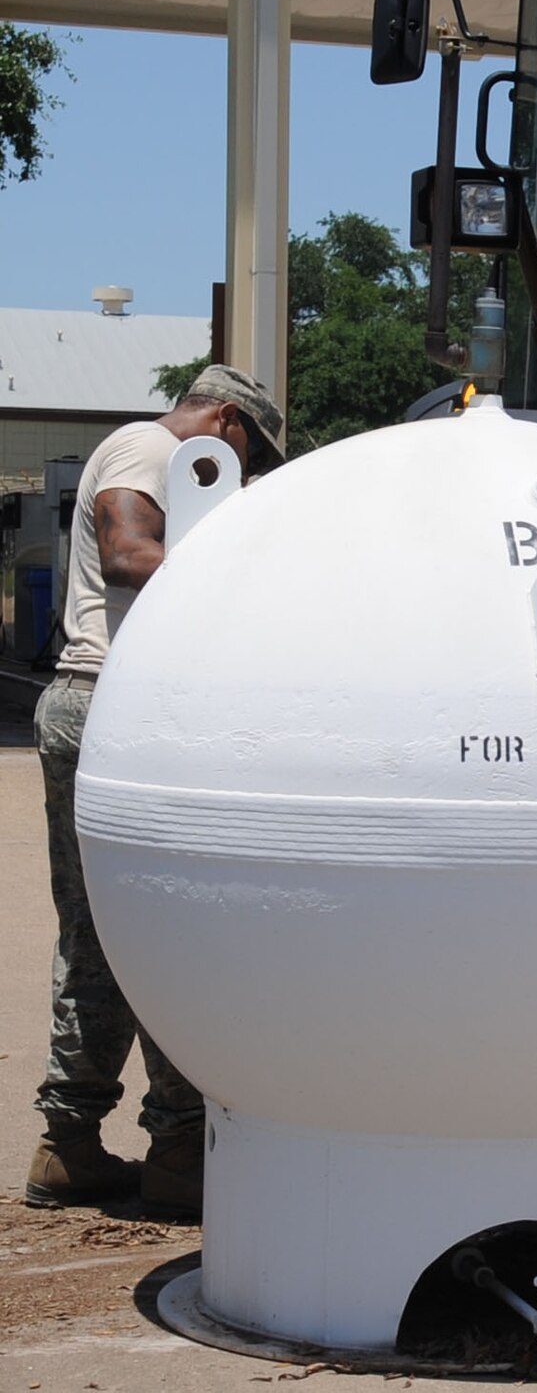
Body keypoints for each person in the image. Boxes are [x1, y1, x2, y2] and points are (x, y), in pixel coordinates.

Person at [24, 364, 285, 1217]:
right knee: (174, 928)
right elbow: (129, 551)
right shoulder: (147, 446)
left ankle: (68, 1143)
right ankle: (177, 1145)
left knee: (102, 936)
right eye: (254, 453)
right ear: (226, 422)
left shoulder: (143, 449)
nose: (246, 473)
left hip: (95, 705)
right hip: (118, 704)